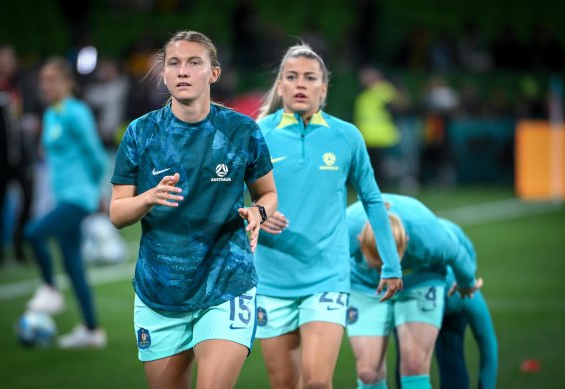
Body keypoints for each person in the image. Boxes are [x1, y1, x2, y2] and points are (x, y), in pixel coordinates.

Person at [108, 31, 277, 389]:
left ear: (213, 74)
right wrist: (148, 198)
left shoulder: (241, 130)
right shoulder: (141, 134)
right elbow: (118, 214)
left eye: (193, 62)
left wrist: (258, 213)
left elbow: (267, 194)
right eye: (174, 63)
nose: (182, 71)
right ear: (164, 74)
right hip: (160, 291)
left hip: (226, 282)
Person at [254, 43, 402, 389]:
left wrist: (391, 263)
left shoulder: (346, 136)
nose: (300, 84)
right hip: (272, 278)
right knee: (285, 385)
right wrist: (258, 213)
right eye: (291, 77)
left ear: (324, 88)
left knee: (318, 383)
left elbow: (372, 199)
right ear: (280, 86)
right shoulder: (257, 134)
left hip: (327, 276)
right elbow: (226, 197)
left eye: (310, 77)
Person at [346, 194, 482, 389]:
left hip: (420, 279)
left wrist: (466, 282)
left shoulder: (427, 234)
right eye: (377, 267)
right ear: (359, 240)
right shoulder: (346, 228)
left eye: (388, 267)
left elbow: (457, 253)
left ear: (406, 242)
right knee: (368, 373)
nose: (384, 276)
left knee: (414, 366)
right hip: (364, 285)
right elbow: (320, 259)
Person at [24, 57, 108, 348]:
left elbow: (96, 155)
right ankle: (92, 330)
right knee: (73, 266)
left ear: (66, 82)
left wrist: (96, 191)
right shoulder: (51, 114)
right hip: (62, 197)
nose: (45, 85)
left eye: (51, 80)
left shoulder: (76, 112)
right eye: (43, 80)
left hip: (78, 198)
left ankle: (49, 289)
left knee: (33, 233)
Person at [0, 44, 39, 267]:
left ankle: (19, 245)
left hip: (23, 154)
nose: (6, 63)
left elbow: (34, 108)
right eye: (1, 59)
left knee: (28, 197)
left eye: (9, 58)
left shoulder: (23, 81)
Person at [433, 219, 498, 389]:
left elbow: (487, 342)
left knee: (451, 354)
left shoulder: (467, 295)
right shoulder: (413, 292)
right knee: (410, 360)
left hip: (459, 266)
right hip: (418, 289)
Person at [352, 67, 403, 189]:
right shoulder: (367, 93)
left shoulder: (383, 89)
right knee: (374, 166)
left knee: (383, 167)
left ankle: (392, 185)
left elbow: (400, 106)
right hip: (370, 135)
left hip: (383, 135)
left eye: (366, 75)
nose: (362, 79)